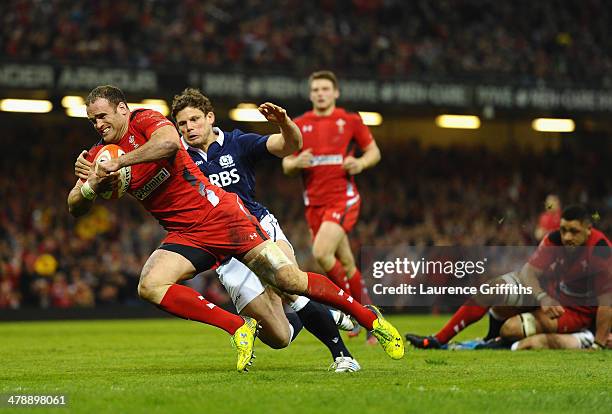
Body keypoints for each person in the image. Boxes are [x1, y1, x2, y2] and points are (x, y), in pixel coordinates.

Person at [67, 85, 404, 372]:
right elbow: (73, 205)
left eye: (102, 116)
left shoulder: (145, 121)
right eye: (92, 120)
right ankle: (237, 327)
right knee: (152, 285)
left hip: (222, 217)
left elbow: (168, 143)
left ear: (122, 109)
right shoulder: (100, 155)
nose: (98, 124)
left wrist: (120, 163)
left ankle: (369, 319)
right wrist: (91, 185)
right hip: (187, 233)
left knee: (289, 281)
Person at [406, 205, 611, 350]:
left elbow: (606, 303)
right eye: (564, 230)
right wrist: (542, 297)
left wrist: (599, 343)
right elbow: (529, 272)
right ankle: (438, 340)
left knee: (512, 328)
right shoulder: (554, 239)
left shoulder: (601, 251)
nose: (567, 237)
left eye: (574, 232)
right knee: (491, 290)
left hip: (574, 312)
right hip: (549, 294)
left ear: (588, 229)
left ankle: (497, 343)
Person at [282, 70, 381, 341]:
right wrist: (295, 163)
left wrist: (360, 163)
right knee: (347, 264)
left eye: (325, 89)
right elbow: (286, 162)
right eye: (315, 90)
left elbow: (374, 152)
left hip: (342, 199)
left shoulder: (349, 120)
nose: (320, 93)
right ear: (310, 94)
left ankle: (354, 312)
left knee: (322, 253)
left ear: (335, 92)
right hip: (314, 205)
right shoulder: (300, 123)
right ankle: (372, 317)